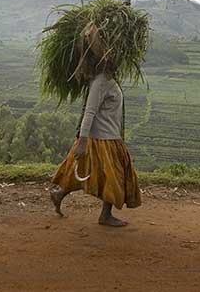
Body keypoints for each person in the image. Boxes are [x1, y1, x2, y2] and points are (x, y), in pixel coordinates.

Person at [49, 62, 141, 227]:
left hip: (109, 137)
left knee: (90, 173)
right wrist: (83, 142)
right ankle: (105, 216)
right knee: (114, 177)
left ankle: (59, 194)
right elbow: (89, 112)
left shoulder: (108, 79)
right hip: (101, 139)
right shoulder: (101, 82)